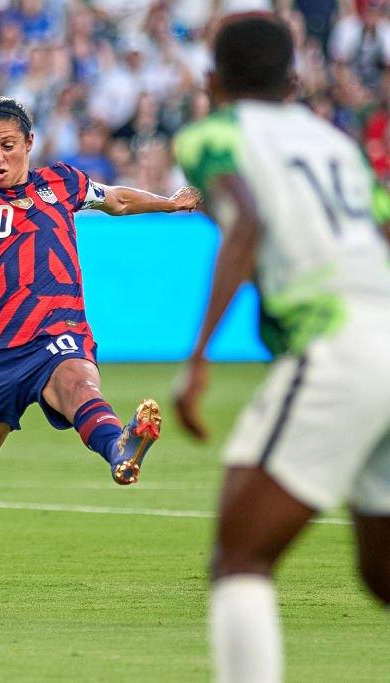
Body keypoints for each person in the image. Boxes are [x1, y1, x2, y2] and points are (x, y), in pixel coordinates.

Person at [0, 97, 201, 607]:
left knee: (78, 383)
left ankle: (121, 446)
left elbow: (115, 199)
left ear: (29, 144)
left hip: (59, 332)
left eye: (8, 146)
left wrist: (168, 202)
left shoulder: (62, 183)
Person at [172, 14, 390, 683]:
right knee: (382, 572)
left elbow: (248, 225)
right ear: (295, 78)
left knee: (240, 554)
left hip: (337, 343)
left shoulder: (214, 133)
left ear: (212, 82)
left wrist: (199, 355)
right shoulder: (336, 142)